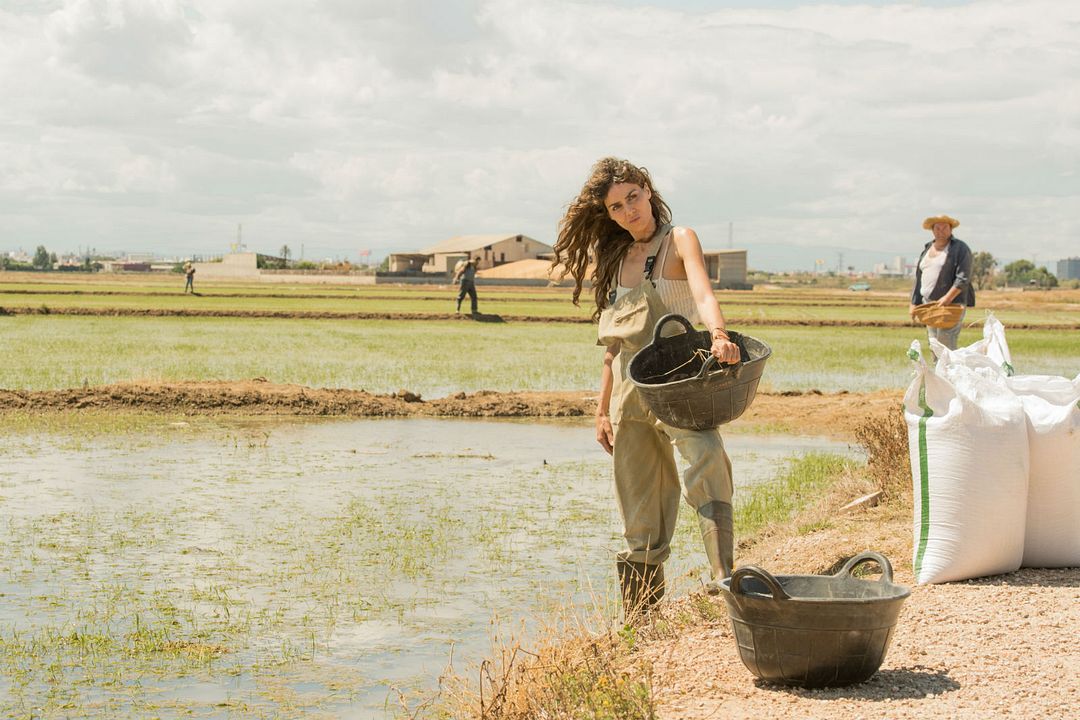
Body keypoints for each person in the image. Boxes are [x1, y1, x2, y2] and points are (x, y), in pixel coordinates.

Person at [553, 157, 742, 620]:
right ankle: (641, 620)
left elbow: (702, 294)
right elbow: (611, 347)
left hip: (681, 381)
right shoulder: (616, 258)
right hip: (628, 394)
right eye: (616, 207)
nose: (627, 211)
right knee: (639, 501)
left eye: (632, 198)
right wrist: (601, 411)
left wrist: (719, 334)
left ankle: (727, 584)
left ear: (648, 190)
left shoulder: (679, 240)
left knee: (706, 461)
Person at [909, 214, 975, 351]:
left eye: (945, 228)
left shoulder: (960, 249)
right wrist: (914, 303)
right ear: (932, 230)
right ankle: (938, 370)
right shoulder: (927, 249)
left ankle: (949, 371)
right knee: (933, 342)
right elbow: (919, 278)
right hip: (929, 304)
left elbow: (963, 278)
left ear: (951, 229)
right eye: (937, 228)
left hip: (951, 304)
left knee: (945, 340)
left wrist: (947, 298)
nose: (941, 231)